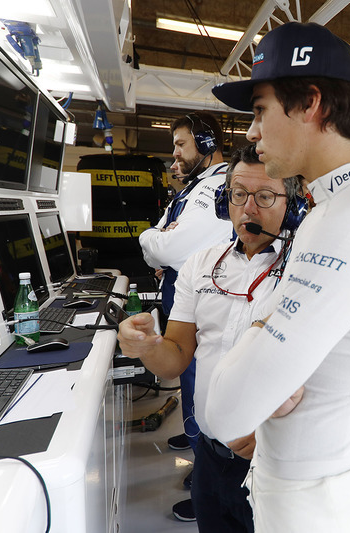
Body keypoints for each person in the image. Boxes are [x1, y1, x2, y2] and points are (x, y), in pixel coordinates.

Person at [208, 22, 350, 532]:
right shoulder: (340, 208)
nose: (251, 131)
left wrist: (255, 346)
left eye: (260, 110)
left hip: (318, 507)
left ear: (311, 104)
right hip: (318, 485)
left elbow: (224, 412)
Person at [118, 145, 303, 532]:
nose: (248, 209)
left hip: (275, 465)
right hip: (210, 455)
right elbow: (178, 354)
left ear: (293, 204)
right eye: (238, 194)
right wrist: (148, 346)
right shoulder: (202, 265)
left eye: (265, 196)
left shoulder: (306, 272)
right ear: (224, 200)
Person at [137, 111, 233, 521]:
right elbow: (162, 239)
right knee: (189, 384)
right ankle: (201, 456)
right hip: (182, 293)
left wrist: (153, 240)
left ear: (207, 144)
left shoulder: (216, 191)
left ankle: (208, 480)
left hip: (203, 303)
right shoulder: (196, 187)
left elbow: (163, 248)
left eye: (180, 144)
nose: (174, 153)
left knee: (198, 385)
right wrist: (159, 240)